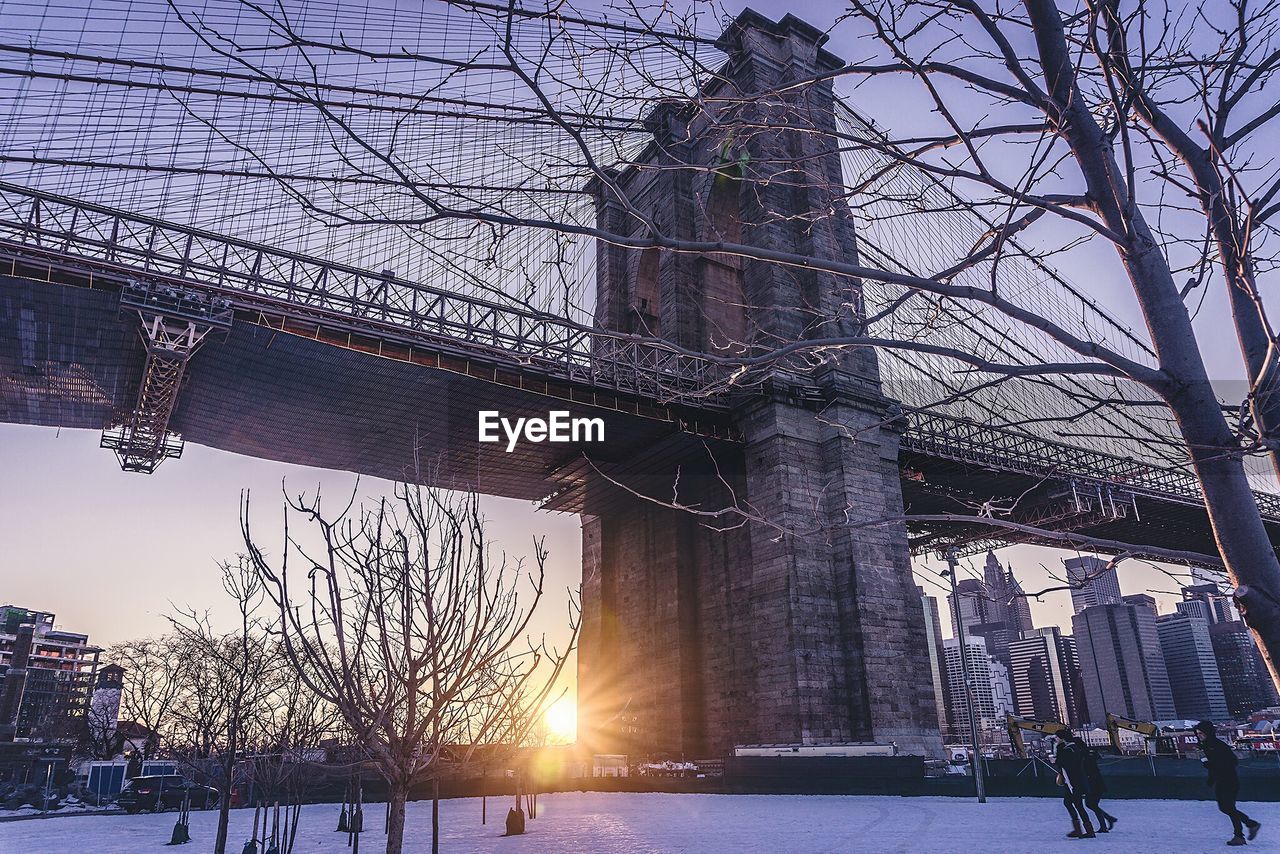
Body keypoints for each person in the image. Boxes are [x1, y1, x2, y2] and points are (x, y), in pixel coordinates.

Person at [1195, 720, 1261, 846]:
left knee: (1228, 808)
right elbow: (1215, 764)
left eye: (1201, 733)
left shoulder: (1216, 745)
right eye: (1197, 733)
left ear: (1208, 732)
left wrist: (1210, 766)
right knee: (1226, 808)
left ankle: (1244, 832)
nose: (1199, 735)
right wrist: (1211, 776)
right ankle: (1248, 827)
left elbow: (1231, 762)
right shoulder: (1208, 745)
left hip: (1228, 780)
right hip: (1223, 780)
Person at [1050, 730, 1096, 839]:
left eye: (1057, 737)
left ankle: (1085, 830)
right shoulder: (1072, 748)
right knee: (1072, 803)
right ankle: (1082, 829)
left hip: (1074, 783)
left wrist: (1055, 759)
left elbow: (1065, 763)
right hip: (1074, 781)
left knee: (1076, 804)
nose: (1055, 739)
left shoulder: (1069, 749)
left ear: (1062, 738)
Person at [1075, 735, 1117, 832]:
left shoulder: (1082, 755)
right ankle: (1107, 821)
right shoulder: (1089, 753)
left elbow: (1084, 768)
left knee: (1090, 804)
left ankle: (1106, 823)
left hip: (1092, 782)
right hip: (1097, 781)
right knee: (1092, 804)